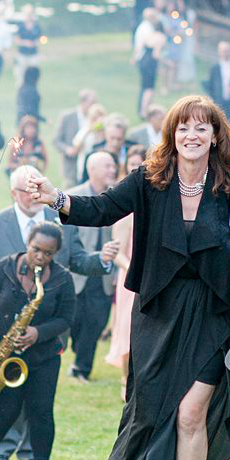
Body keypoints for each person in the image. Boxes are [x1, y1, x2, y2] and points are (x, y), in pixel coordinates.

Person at [24, 95, 230, 460]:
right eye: (183, 128)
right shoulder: (149, 179)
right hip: (157, 313)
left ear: (216, 135)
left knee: (190, 413)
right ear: (171, 135)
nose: (192, 136)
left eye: (202, 128)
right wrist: (56, 198)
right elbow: (101, 208)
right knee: (150, 412)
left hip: (211, 313)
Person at [0, 165, 114, 460]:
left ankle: (33, 454)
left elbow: (77, 261)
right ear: (12, 193)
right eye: (25, 191)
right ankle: (0, 452)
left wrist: (102, 261)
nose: (33, 197)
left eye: (36, 189)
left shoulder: (62, 222)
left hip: (45, 332)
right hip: (6, 327)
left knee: (40, 403)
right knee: (5, 400)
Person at [0, 223, 77, 460]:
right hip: (4, 358)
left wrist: (38, 333)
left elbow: (66, 319)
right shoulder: (1, 269)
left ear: (55, 253)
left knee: (41, 412)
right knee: (4, 411)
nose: (40, 257)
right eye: (36, 249)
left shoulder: (62, 279)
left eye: (48, 253)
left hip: (43, 358)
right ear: (27, 243)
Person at [61, 150, 120, 382]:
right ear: (91, 170)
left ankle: (81, 368)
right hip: (77, 272)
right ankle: (78, 352)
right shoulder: (72, 198)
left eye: (113, 165)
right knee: (75, 323)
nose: (112, 170)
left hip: (104, 273)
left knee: (95, 323)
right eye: (106, 166)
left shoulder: (118, 198)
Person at [105, 144, 146, 397]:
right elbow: (118, 251)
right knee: (127, 328)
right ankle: (125, 380)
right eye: (131, 167)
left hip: (151, 273)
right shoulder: (125, 205)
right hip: (130, 275)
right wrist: (133, 267)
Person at [53, 89, 100, 183]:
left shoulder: (96, 119)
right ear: (82, 102)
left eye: (95, 103)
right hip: (71, 167)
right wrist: (67, 149)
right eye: (91, 103)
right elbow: (56, 140)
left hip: (91, 167)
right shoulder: (67, 117)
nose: (93, 106)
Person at [12, 4, 43, 83]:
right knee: (21, 74)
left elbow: (41, 38)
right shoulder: (20, 26)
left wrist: (37, 42)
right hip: (22, 54)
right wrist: (25, 43)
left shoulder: (36, 26)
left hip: (33, 54)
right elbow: (16, 40)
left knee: (33, 73)